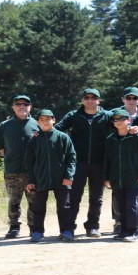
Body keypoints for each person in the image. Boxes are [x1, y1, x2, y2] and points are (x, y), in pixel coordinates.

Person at [54, 88, 112, 238]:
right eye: (87, 97)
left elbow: (121, 128)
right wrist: (41, 133)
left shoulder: (108, 116)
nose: (90, 100)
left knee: (96, 197)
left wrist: (133, 130)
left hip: (99, 163)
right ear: (82, 100)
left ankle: (93, 226)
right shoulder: (74, 115)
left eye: (94, 97)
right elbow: (57, 129)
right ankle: (69, 229)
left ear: (99, 100)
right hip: (77, 162)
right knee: (73, 196)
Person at [25, 109, 76, 242]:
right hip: (41, 178)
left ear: (54, 120)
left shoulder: (62, 137)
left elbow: (71, 157)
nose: (45, 122)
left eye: (48, 119)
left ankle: (66, 230)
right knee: (38, 206)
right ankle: (37, 231)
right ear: (38, 122)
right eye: (42, 120)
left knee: (64, 206)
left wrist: (69, 176)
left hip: (61, 178)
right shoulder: (34, 139)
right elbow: (29, 161)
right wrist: (31, 180)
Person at [103, 108, 138, 242]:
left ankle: (135, 231)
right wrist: (106, 177)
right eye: (116, 119)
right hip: (116, 178)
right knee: (121, 205)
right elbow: (107, 159)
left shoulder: (137, 136)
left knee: (132, 204)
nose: (118, 122)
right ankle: (124, 231)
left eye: (122, 119)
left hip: (134, 177)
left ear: (128, 120)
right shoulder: (111, 139)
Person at [0, 95, 39, 238]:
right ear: (13, 107)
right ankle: (14, 227)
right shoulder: (4, 126)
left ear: (30, 107)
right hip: (12, 171)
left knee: (33, 201)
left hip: (33, 171)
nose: (22, 107)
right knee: (14, 201)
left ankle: (34, 227)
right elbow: (0, 147)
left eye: (25, 104)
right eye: (18, 104)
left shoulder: (37, 124)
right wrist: (11, 157)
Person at [112, 86, 138, 234]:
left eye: (135, 98)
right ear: (123, 99)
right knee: (118, 195)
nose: (131, 100)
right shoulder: (114, 114)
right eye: (128, 97)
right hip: (120, 160)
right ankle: (119, 222)